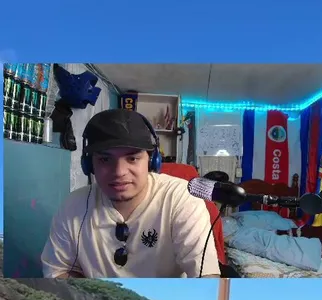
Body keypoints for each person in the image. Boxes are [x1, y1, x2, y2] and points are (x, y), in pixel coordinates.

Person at [41, 108, 220, 279]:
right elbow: (57, 270)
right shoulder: (73, 206)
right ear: (89, 165)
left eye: (132, 158)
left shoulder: (182, 199)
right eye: (105, 159)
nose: (119, 172)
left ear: (152, 161)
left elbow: (206, 278)